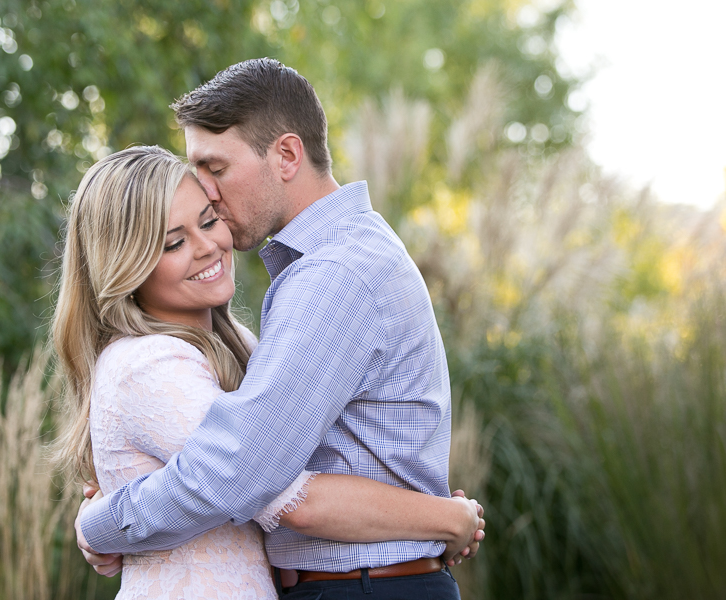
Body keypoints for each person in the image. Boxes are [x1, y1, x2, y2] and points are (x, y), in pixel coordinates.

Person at [75, 59, 477, 599]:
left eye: (215, 168)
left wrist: (101, 525)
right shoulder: (335, 260)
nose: (207, 192)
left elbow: (241, 467)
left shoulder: (333, 274)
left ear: (286, 155)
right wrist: (441, 516)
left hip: (361, 589)